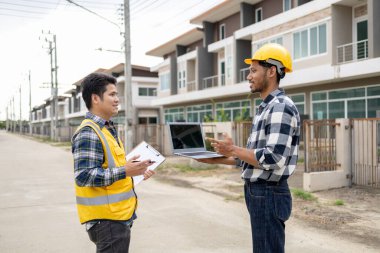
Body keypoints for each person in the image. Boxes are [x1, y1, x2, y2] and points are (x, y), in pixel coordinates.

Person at [197, 43, 300, 253]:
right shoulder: (266, 108)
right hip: (260, 192)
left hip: (269, 192)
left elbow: (273, 158)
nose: (248, 76)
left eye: (253, 70)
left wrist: (233, 149)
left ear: (271, 71)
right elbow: (252, 160)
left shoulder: (280, 107)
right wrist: (214, 159)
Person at [71, 72, 155, 253]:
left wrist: (134, 169)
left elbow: (110, 167)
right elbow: (84, 176)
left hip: (116, 217)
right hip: (107, 221)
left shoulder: (107, 129)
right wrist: (125, 170)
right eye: (112, 94)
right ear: (95, 98)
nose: (117, 99)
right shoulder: (89, 132)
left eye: (117, 94)